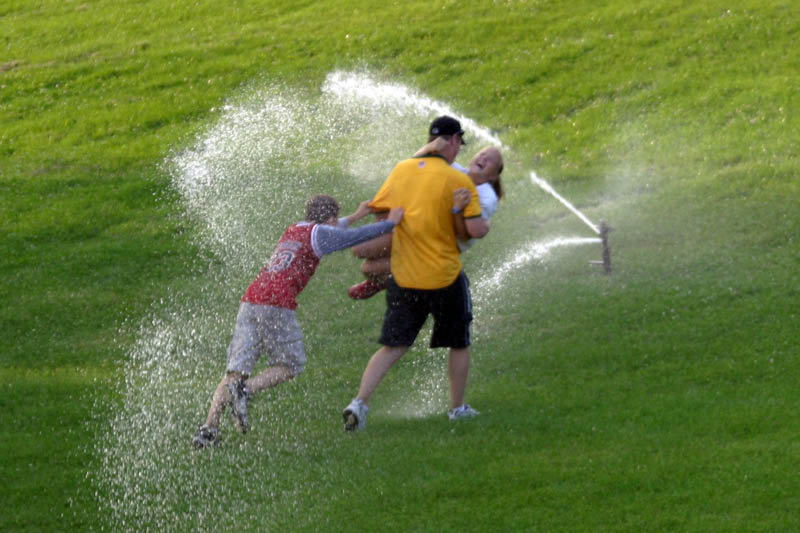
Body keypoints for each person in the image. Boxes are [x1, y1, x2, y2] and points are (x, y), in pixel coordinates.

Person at [193, 195, 404, 448]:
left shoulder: (295, 228)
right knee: (290, 365)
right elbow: (352, 238)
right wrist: (389, 224)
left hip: (251, 300)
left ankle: (208, 430)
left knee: (235, 370)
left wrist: (356, 216)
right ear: (329, 219)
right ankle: (246, 390)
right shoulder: (321, 234)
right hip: (276, 303)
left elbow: (331, 231)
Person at [342, 116, 490, 431]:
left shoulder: (402, 170)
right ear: (452, 141)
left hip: (405, 276)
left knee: (393, 346)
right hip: (444, 276)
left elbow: (383, 212)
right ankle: (457, 408)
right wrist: (459, 211)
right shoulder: (459, 182)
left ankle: (360, 402)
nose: (458, 151)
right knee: (459, 343)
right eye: (458, 144)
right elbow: (476, 231)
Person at [347, 141, 504, 299]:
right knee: (359, 250)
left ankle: (396, 281)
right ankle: (392, 279)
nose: (483, 159)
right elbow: (414, 166)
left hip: (435, 249)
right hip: (416, 231)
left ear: (493, 176)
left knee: (369, 269)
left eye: (490, 160)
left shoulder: (486, 197)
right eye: (482, 154)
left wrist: (457, 208)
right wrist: (429, 148)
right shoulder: (454, 170)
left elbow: (465, 233)